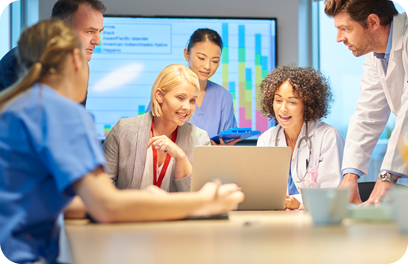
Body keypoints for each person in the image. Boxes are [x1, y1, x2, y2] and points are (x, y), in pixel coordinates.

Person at [0, 19, 244, 264]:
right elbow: (106, 206)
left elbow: (61, 203)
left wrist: (145, 202)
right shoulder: (63, 114)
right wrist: (203, 201)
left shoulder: (14, 110)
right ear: (76, 61)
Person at [324, 0, 408, 204]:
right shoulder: (376, 55)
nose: (339, 38)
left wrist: (387, 176)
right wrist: (350, 177)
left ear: (372, 22)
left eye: (345, 28)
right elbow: (367, 114)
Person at [104, 64, 212, 191]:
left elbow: (200, 198)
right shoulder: (123, 130)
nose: (187, 107)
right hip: (131, 211)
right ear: (159, 95)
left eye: (192, 100)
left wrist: (181, 157)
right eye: (180, 98)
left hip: (176, 212)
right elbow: (102, 185)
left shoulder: (200, 139)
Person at [256, 65, 345, 209]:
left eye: (292, 102)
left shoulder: (328, 137)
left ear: (307, 104)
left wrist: (299, 204)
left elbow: (331, 192)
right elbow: (261, 189)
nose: (283, 108)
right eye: (278, 100)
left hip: (316, 221)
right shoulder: (266, 139)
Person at [0, 0, 105, 106]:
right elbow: (33, 119)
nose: (97, 41)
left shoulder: (79, 66)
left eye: (99, 32)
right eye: (90, 31)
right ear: (63, 29)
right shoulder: (22, 61)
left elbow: (74, 118)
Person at [146, 28, 238, 143]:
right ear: (186, 54)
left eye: (215, 61)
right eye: (201, 58)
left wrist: (222, 151)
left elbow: (226, 143)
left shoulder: (224, 97)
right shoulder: (167, 90)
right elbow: (149, 136)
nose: (207, 66)